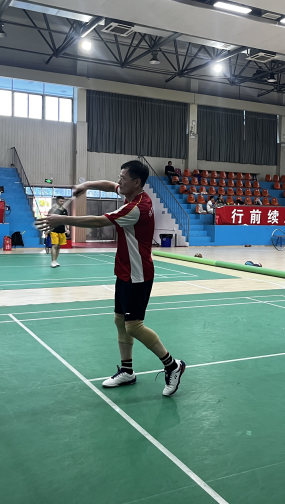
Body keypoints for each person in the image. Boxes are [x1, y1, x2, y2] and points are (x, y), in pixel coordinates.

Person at [35, 160, 186, 397]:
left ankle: (172, 365)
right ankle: (127, 371)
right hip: (125, 270)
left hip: (138, 274)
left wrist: (62, 220)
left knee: (134, 326)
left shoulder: (136, 207)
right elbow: (109, 185)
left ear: (136, 182)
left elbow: (99, 221)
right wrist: (87, 185)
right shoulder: (132, 194)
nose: (119, 182)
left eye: (123, 178)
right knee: (119, 320)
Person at [48, 196, 69, 268]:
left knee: (59, 246)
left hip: (62, 231)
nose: (62, 202)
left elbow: (66, 220)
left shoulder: (65, 211)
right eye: (61, 201)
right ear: (57, 201)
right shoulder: (52, 210)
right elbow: (48, 220)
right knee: (55, 245)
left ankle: (55, 260)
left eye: (63, 201)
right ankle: (53, 261)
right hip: (54, 230)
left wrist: (67, 229)